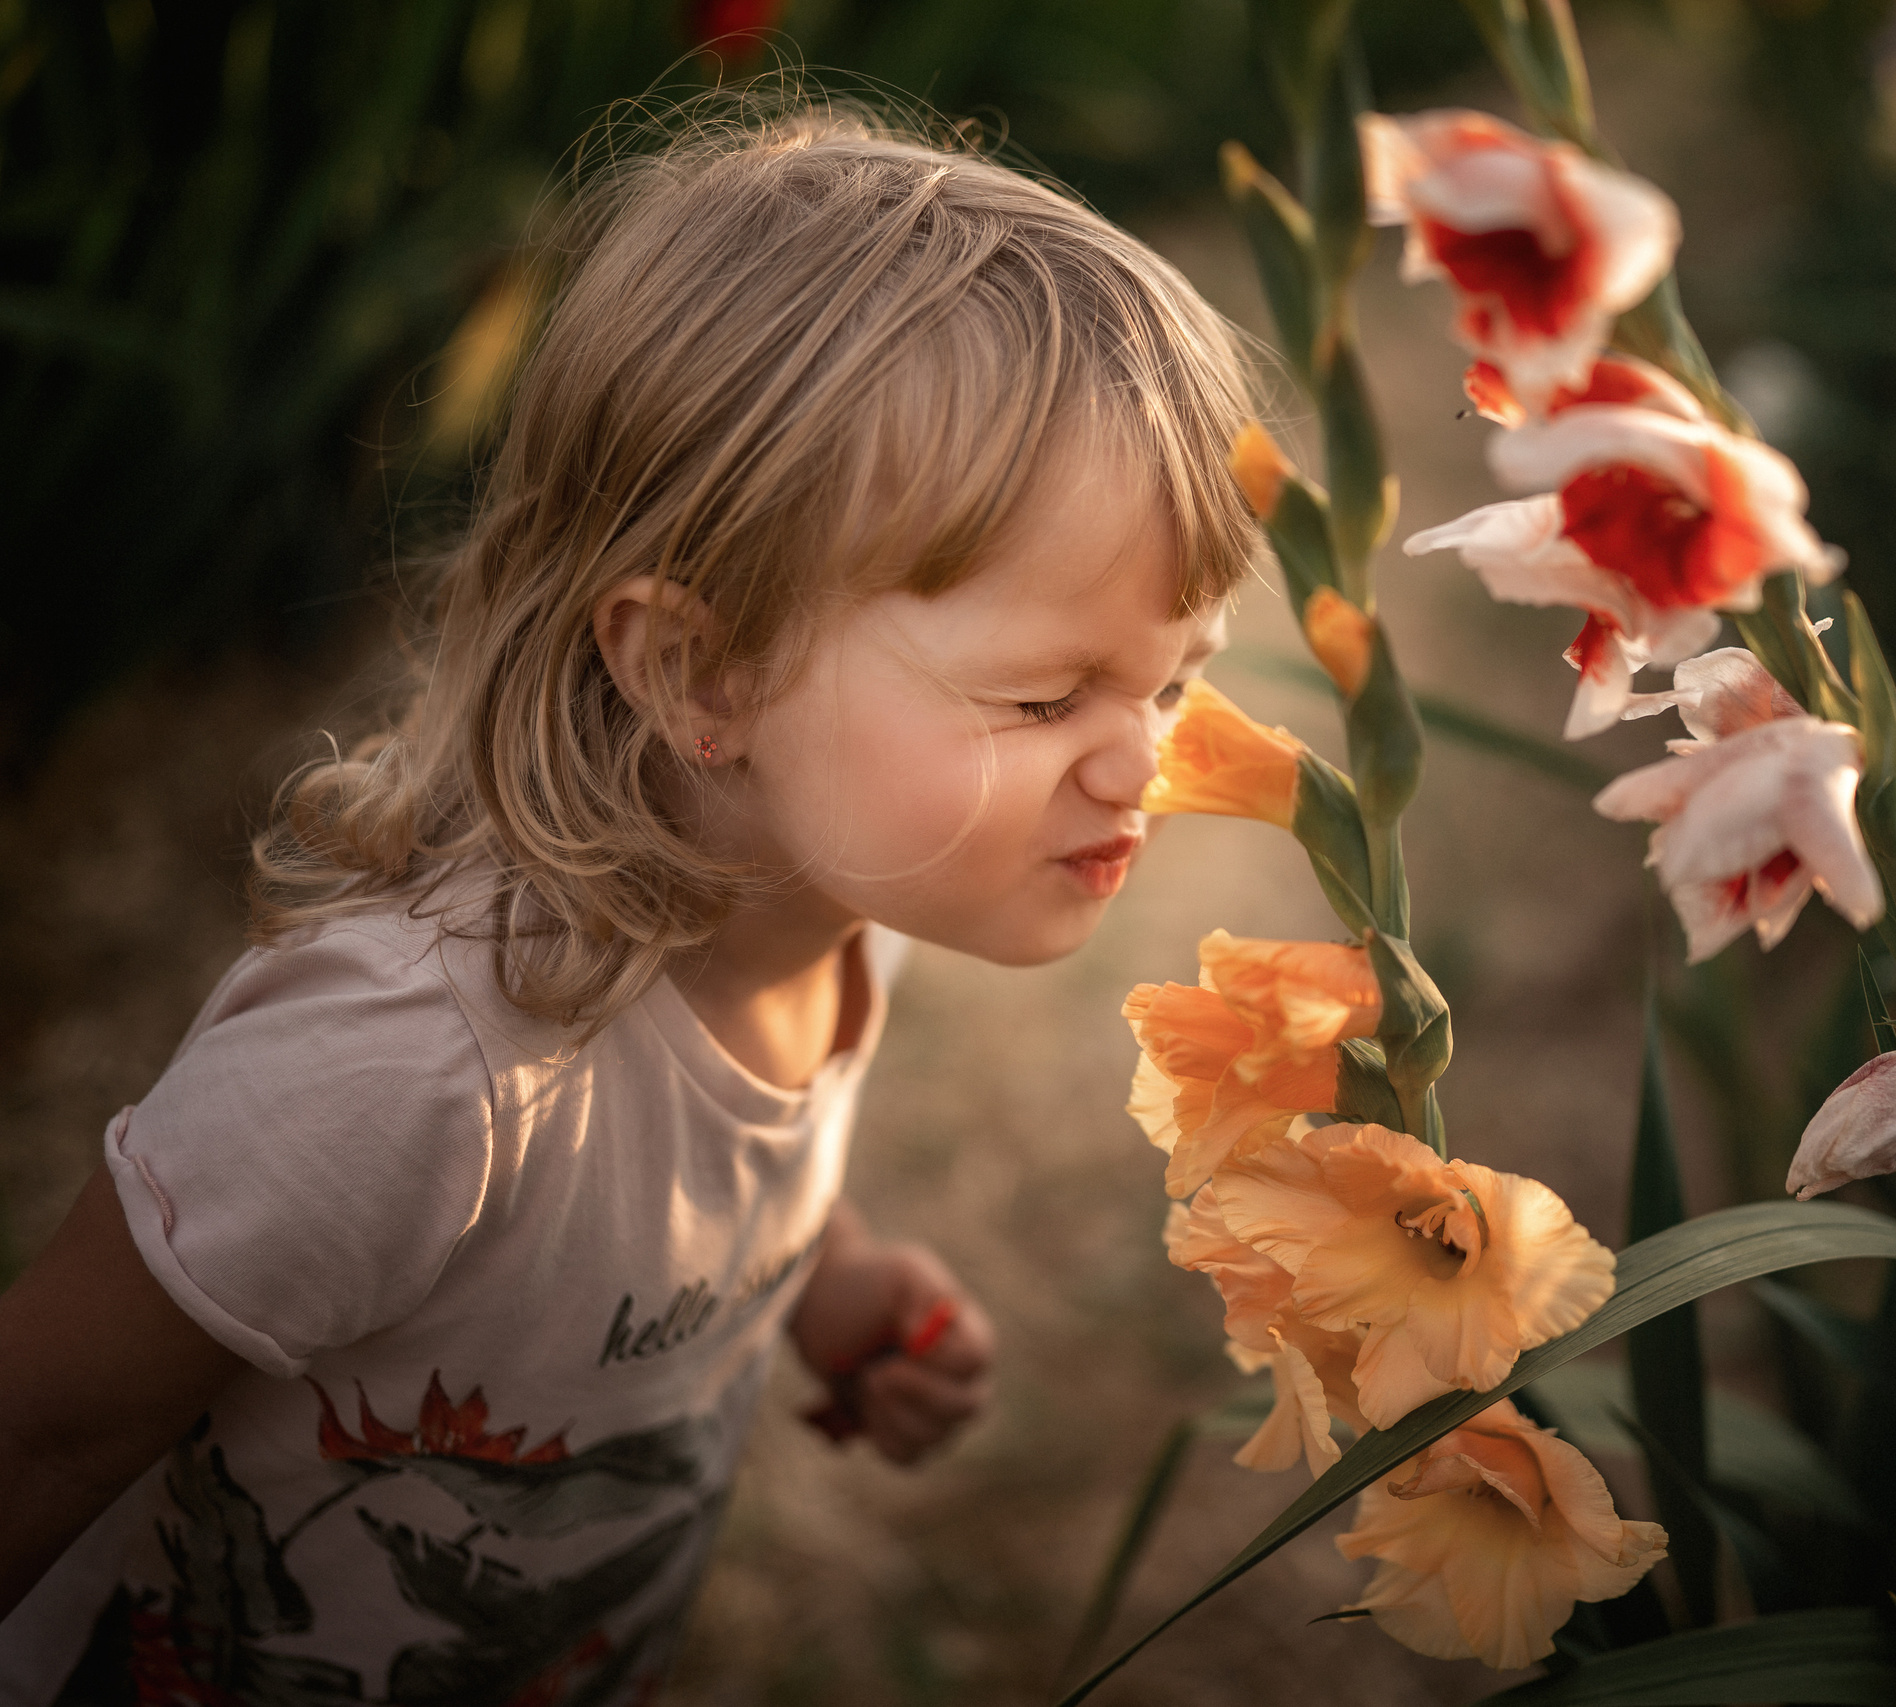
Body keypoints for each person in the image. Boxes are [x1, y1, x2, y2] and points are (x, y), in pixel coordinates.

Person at [0, 102, 1256, 1706]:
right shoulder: (412, 1070)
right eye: (1043, 700)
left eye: (1176, 677)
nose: (1140, 761)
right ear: (694, 670)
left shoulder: (839, 912)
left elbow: (680, 1193)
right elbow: (42, 1426)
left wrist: (826, 1277)